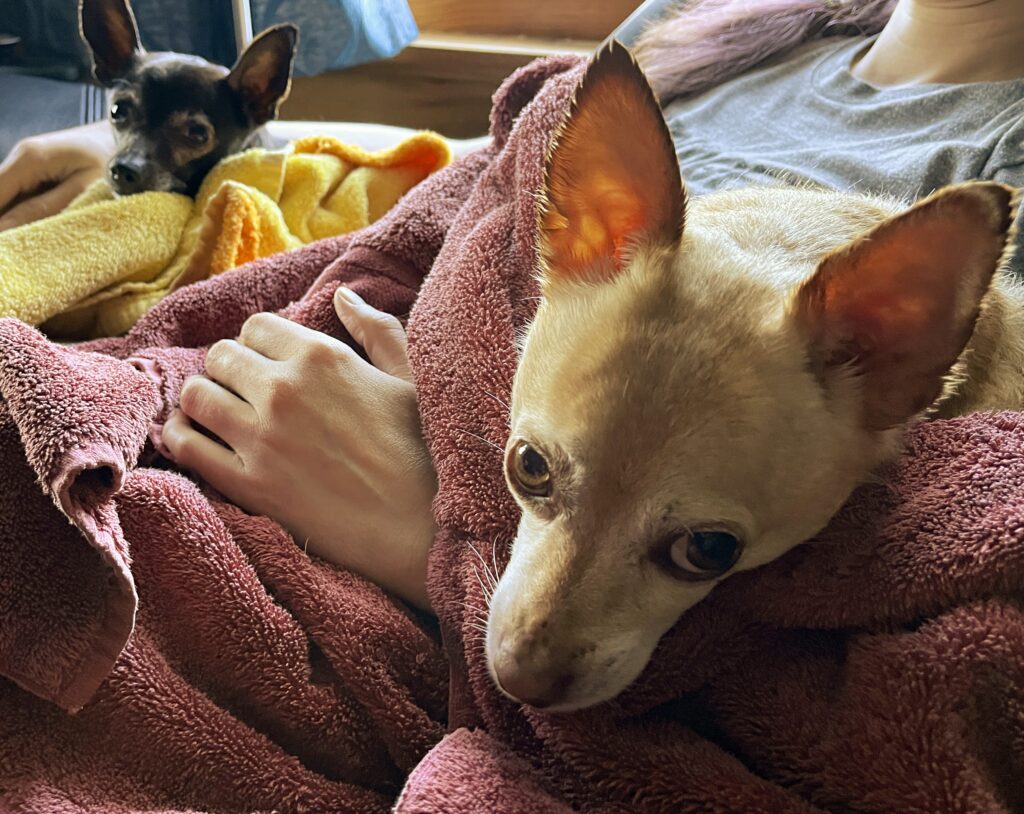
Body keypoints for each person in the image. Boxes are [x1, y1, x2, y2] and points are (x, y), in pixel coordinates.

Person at [0, 0, 1021, 612]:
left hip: (414, 552)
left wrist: (452, 528)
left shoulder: (980, 200)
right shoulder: (724, 22)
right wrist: (199, 153)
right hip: (257, 384)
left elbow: (924, 584)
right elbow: (499, 176)